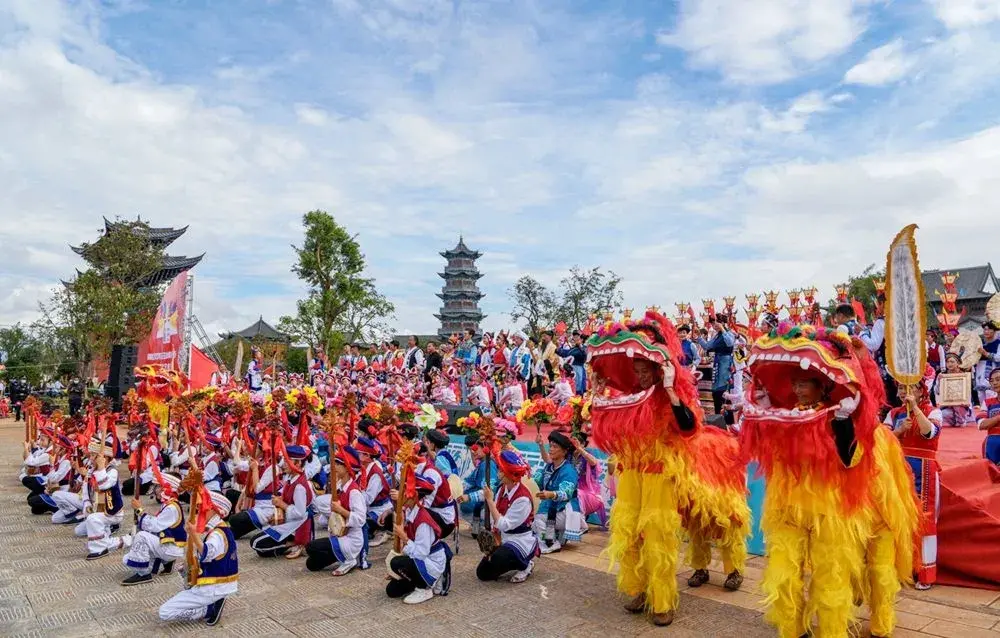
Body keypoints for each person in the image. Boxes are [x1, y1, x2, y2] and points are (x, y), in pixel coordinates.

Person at [886, 380, 942, 590]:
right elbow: (881, 439)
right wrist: (899, 431)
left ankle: (925, 573)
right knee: (897, 518)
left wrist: (916, 409)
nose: (902, 392)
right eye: (900, 388)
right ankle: (901, 568)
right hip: (898, 467)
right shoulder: (893, 414)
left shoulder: (934, 411)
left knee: (925, 520)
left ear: (921, 392)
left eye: (908, 389)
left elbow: (930, 433)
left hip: (924, 469)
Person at [158, 490, 237, 626]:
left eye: (203, 508)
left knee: (164, 612)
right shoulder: (220, 529)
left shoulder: (217, 534)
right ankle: (211, 601)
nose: (199, 511)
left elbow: (206, 552)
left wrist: (193, 534)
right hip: (217, 582)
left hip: (214, 586)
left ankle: (208, 609)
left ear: (214, 510)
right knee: (186, 574)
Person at [385, 474, 453, 604]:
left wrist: (404, 538)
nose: (399, 494)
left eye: (403, 491)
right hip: (420, 558)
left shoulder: (423, 520)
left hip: (430, 561)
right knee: (392, 591)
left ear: (413, 494)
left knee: (396, 562)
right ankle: (417, 580)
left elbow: (421, 554)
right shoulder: (410, 512)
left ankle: (425, 588)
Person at [476, 451, 539, 583]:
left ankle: (526, 565)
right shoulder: (502, 488)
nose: (498, 472)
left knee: (499, 557)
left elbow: (503, 524)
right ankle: (509, 561)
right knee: (482, 573)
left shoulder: (522, 498)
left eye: (500, 469)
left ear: (509, 473)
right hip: (502, 537)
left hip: (519, 540)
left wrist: (490, 501)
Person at [306, 447, 368, 575]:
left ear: (347, 468)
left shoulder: (354, 492)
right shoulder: (340, 486)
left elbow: (361, 519)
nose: (334, 466)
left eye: (338, 464)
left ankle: (350, 559)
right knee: (311, 564)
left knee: (311, 547)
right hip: (340, 533)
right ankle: (341, 555)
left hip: (352, 538)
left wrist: (341, 510)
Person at [249, 445, 315, 559]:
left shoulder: (299, 486)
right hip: (290, 520)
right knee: (258, 546)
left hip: (298, 525)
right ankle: (288, 543)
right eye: (284, 460)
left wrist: (281, 504)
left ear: (298, 463)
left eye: (287, 460)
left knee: (257, 544)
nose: (283, 464)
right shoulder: (291, 479)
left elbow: (300, 513)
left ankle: (296, 542)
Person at [120, 472, 186, 586]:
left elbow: (154, 525)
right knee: (127, 558)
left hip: (172, 548)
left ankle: (143, 574)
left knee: (142, 536)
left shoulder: (172, 507)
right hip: (169, 545)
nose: (156, 489)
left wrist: (139, 510)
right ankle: (167, 562)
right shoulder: (168, 504)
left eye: (159, 486)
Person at [76, 436, 127, 560]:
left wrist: (101, 467)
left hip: (112, 512)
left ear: (105, 458)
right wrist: (87, 504)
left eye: (94, 456)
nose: (91, 459)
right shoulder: (92, 470)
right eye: (92, 455)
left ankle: (99, 549)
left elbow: (104, 485)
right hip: (97, 508)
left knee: (92, 521)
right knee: (79, 530)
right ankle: (115, 540)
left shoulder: (112, 471)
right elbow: (86, 490)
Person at [533, 431, 580, 554]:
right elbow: (538, 481)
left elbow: (566, 493)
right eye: (551, 446)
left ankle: (550, 544)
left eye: (555, 447)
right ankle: (556, 535)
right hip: (553, 508)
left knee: (539, 519)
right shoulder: (550, 467)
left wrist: (551, 494)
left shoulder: (568, 470)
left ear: (564, 452)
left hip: (566, 510)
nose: (551, 449)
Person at [458, 433, 500, 535]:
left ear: (485, 448)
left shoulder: (489, 465)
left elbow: (491, 491)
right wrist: (453, 489)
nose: (473, 452)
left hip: (489, 504)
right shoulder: (482, 463)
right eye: (471, 449)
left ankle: (483, 524)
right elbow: (468, 482)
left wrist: (469, 497)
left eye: (476, 449)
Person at [697, 316, 735, 415]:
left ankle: (727, 418)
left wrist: (722, 329)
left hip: (725, 363)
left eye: (716, 323)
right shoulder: (717, 336)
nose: (714, 325)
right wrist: (699, 337)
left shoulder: (729, 333)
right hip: (717, 362)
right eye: (713, 324)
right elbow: (707, 346)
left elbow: (730, 343)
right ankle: (718, 414)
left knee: (723, 389)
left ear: (722, 323)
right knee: (715, 390)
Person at [974, 321, 1000, 405]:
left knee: (991, 393)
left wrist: (985, 353)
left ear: (994, 331)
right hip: (980, 371)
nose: (986, 331)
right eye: (985, 329)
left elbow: (998, 358)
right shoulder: (980, 343)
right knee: (980, 395)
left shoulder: (998, 343)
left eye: (989, 329)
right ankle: (984, 413)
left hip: (992, 370)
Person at [978, 368, 1000, 464]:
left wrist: (992, 421)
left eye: (998, 379)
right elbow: (981, 425)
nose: (994, 383)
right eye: (991, 381)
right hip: (992, 443)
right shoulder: (987, 403)